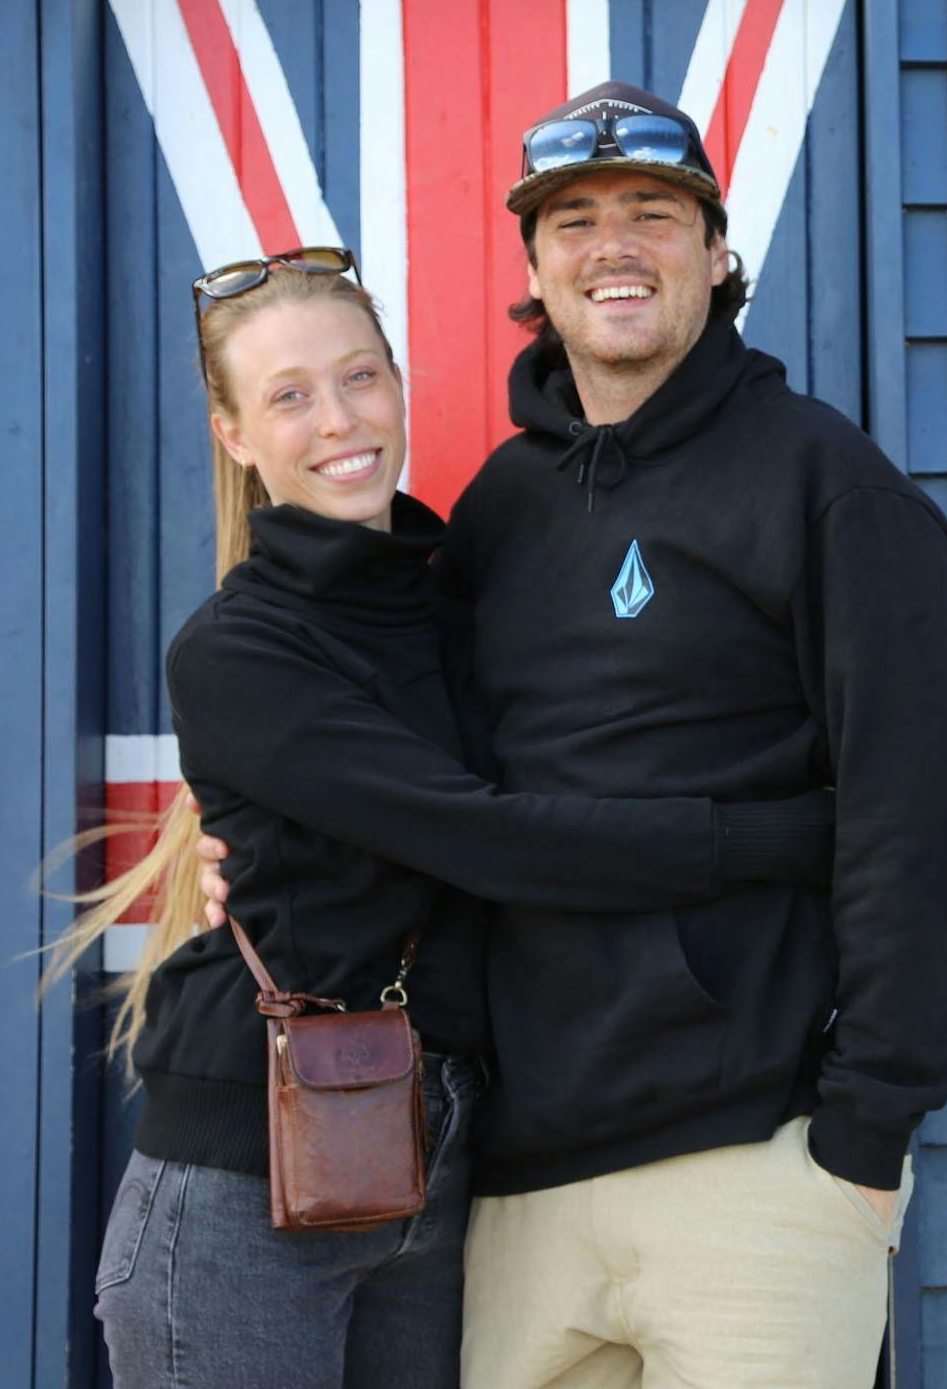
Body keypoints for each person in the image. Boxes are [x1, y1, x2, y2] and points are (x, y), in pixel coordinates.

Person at [49, 250, 838, 1389]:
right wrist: (778, 838)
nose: (340, 420)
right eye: (288, 395)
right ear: (232, 435)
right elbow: (490, 834)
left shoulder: (456, 591)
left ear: (400, 384)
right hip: (245, 1186)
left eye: (361, 376)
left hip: (436, 1162)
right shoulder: (237, 652)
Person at [441, 81, 947, 1387]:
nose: (612, 246)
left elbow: (912, 823)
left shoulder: (824, 483)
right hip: (522, 1183)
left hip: (759, 1163)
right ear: (534, 264)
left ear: (716, 250)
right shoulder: (498, 510)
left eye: (653, 213)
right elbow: (438, 792)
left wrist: (865, 1136)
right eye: (572, 220)